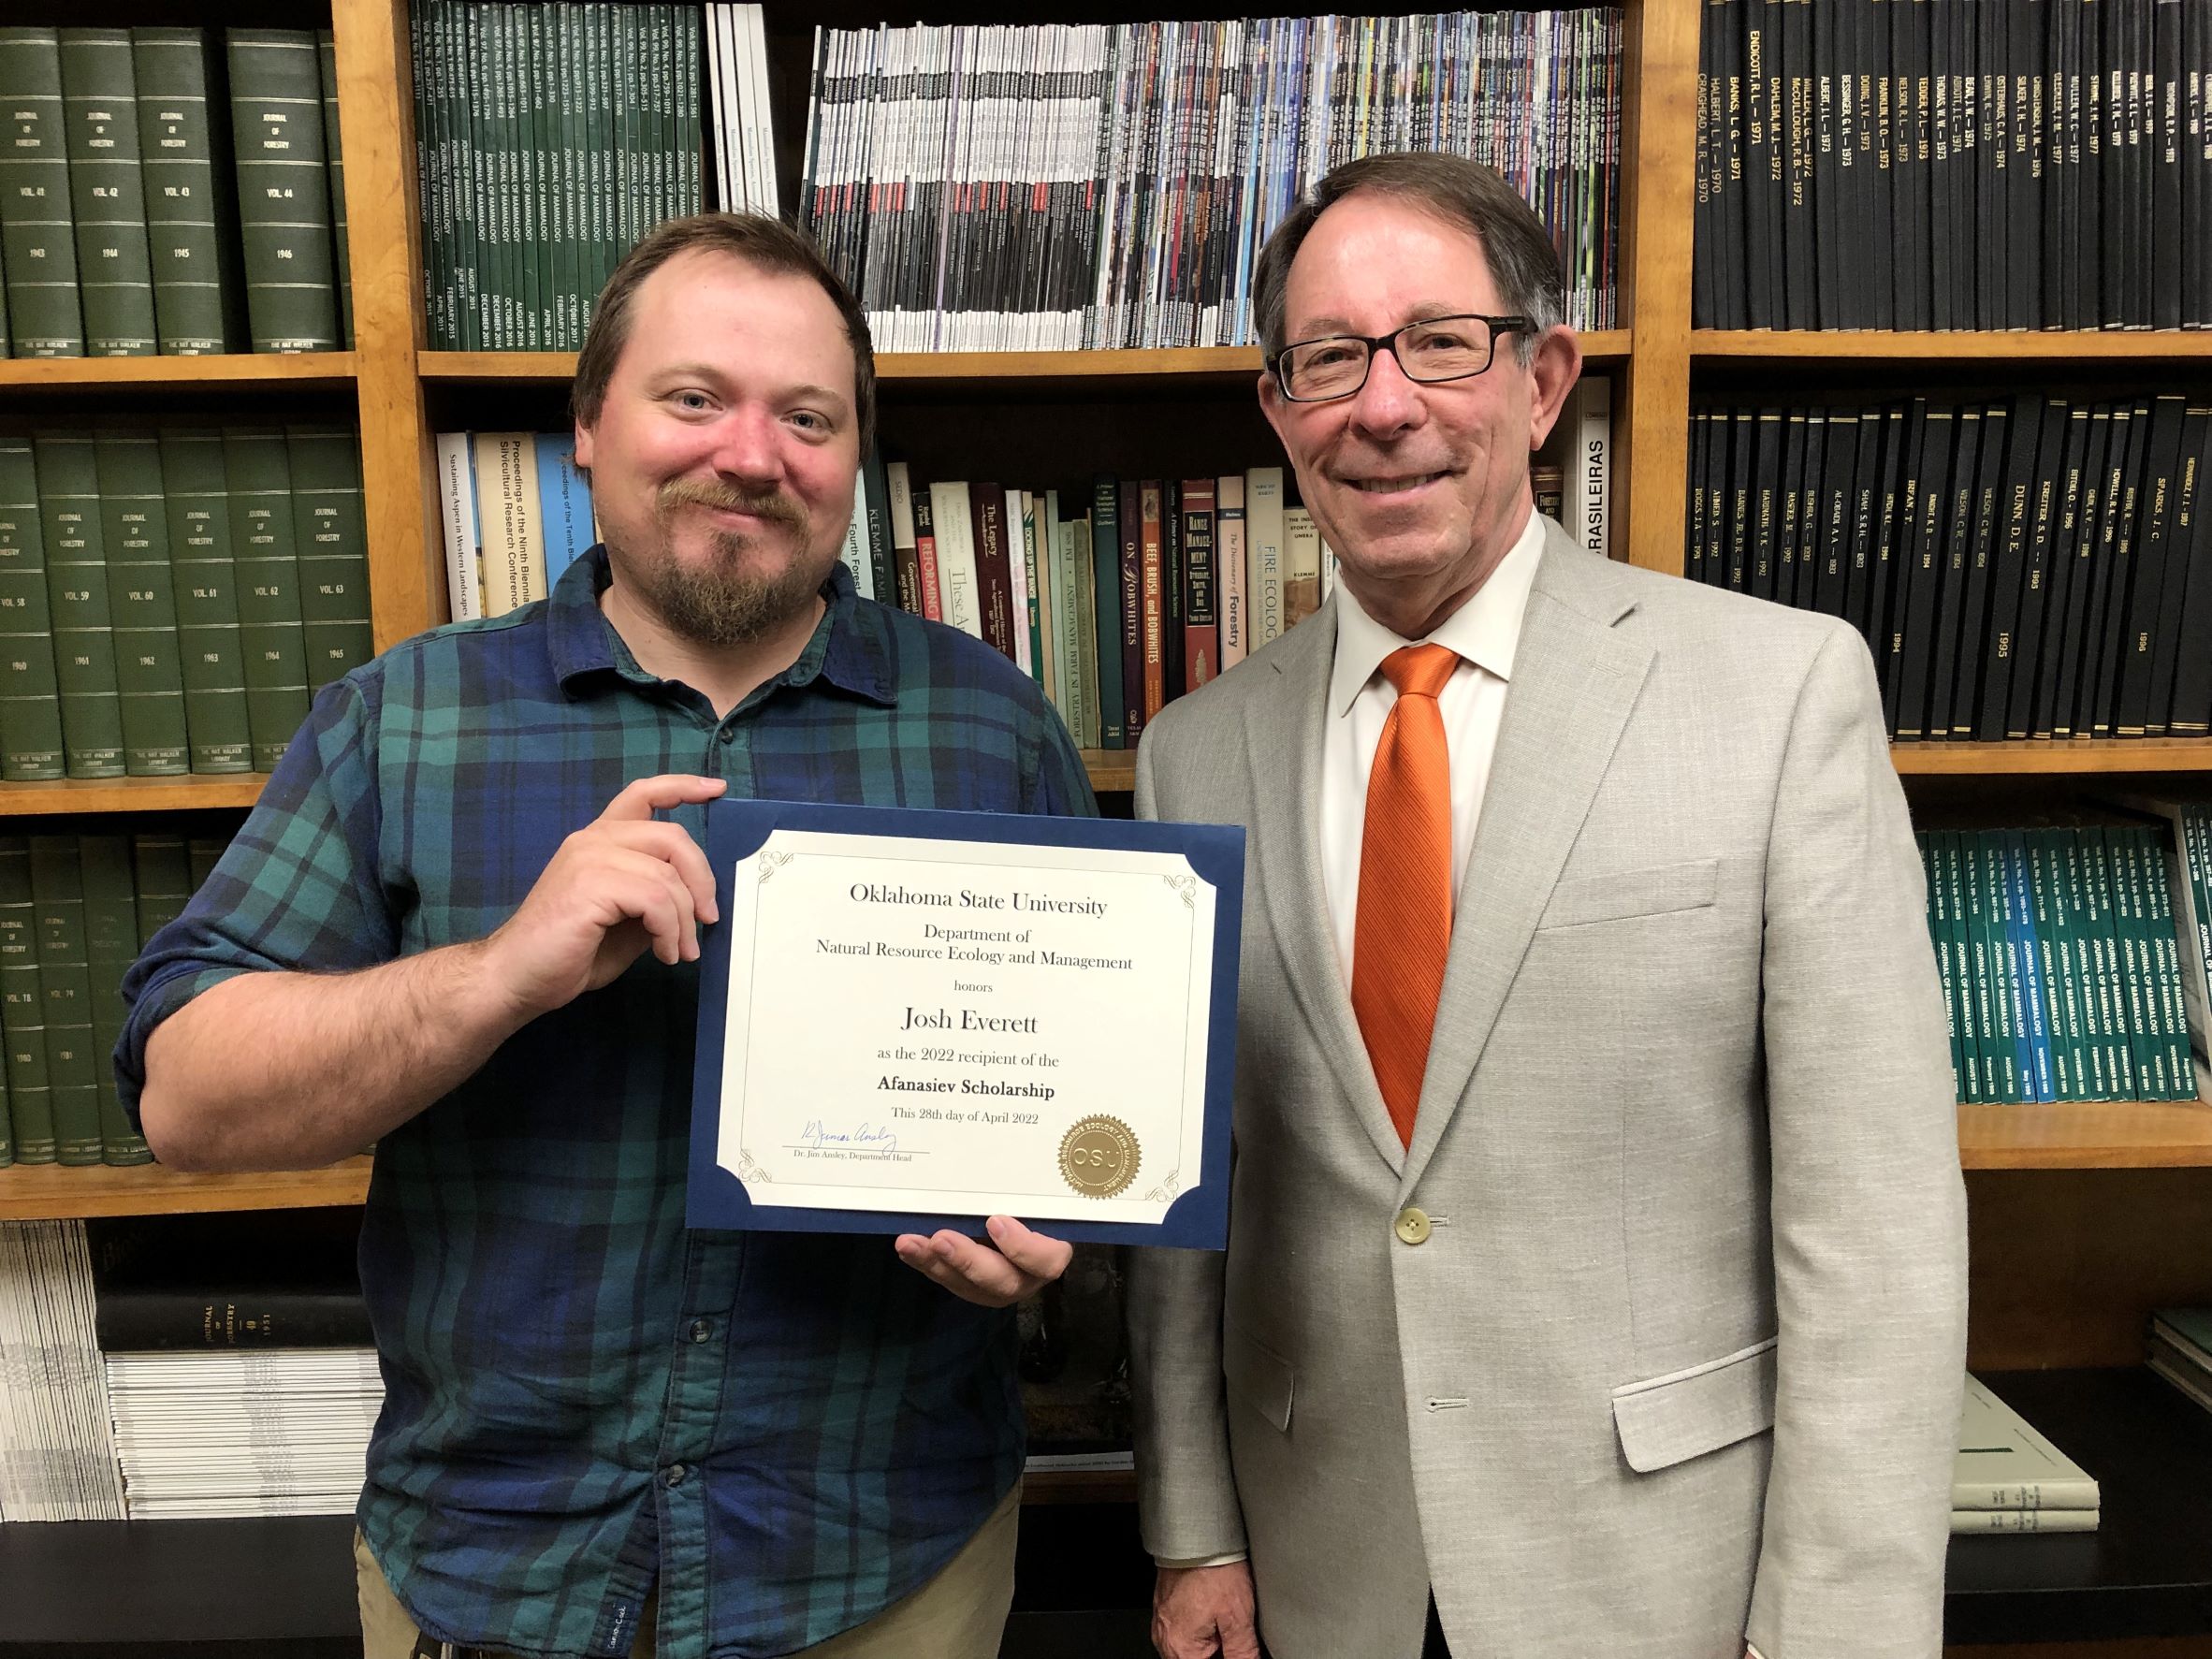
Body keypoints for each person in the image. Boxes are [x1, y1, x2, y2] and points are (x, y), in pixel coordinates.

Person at [118, 213, 1095, 1659]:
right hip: (496, 1570)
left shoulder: (991, 727)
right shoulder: (408, 719)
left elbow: (1087, 1111)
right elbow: (184, 1100)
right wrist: (500, 973)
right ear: (589, 427)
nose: (751, 453)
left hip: (882, 1571)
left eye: (806, 417)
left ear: (851, 460)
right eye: (694, 397)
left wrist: (1043, 1232)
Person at [1126, 152, 1968, 1659]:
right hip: (1322, 1569)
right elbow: (1196, 1213)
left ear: (1543, 379)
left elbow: (1876, 1231)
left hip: (1661, 1575)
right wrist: (1191, 1524)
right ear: (1281, 412)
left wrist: (1841, 1629)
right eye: (1329, 360)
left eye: (1442, 343)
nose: (1386, 407)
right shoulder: (1197, 752)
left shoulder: (1780, 694)